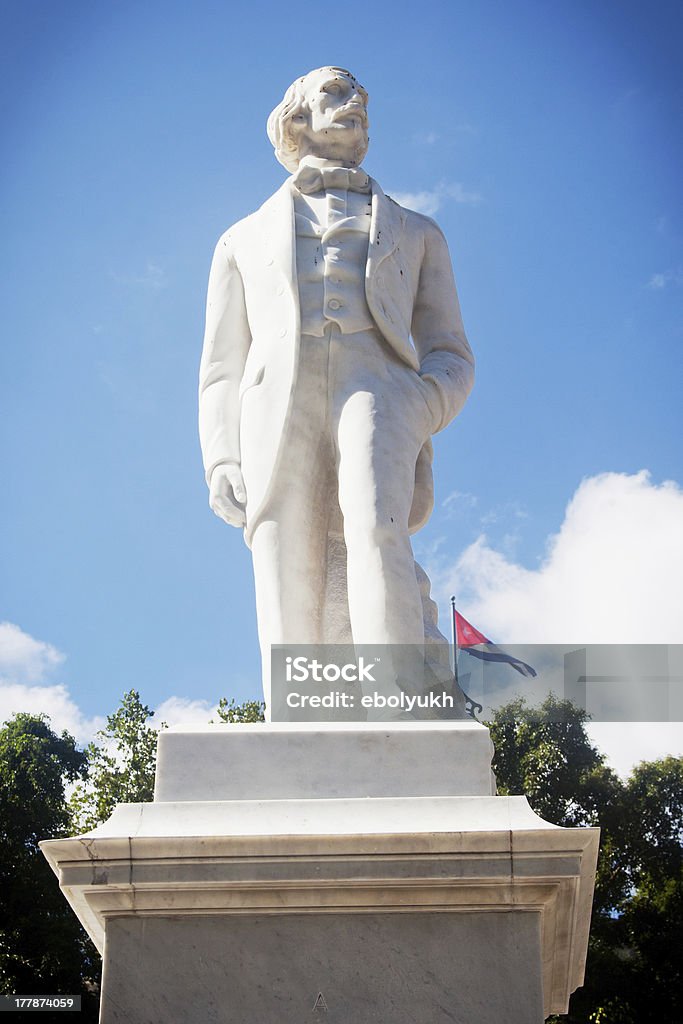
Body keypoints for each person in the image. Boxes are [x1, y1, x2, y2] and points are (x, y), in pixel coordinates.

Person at [199, 67, 474, 714]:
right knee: (282, 546)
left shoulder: (418, 231)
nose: (357, 106)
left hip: (376, 387)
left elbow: (450, 351)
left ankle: (398, 705)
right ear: (296, 118)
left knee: (377, 526)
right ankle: (299, 719)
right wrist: (221, 456)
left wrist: (422, 403)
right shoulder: (240, 239)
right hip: (275, 400)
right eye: (337, 94)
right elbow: (221, 366)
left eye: (362, 99)